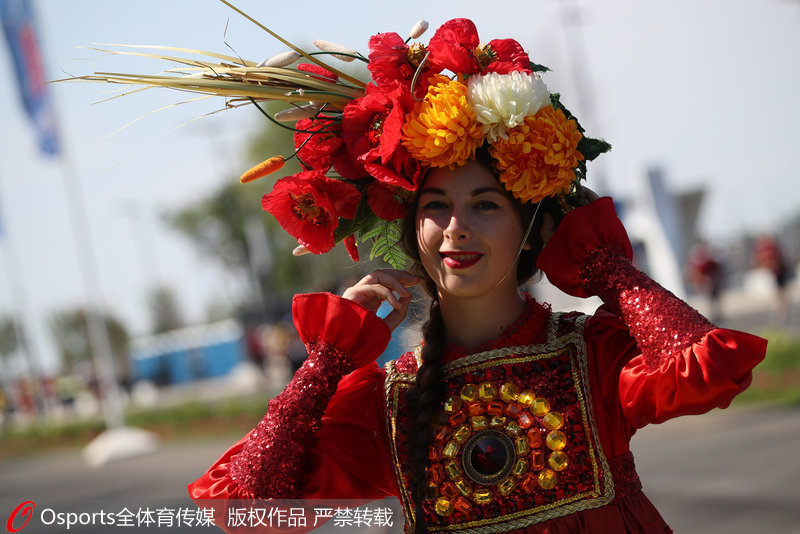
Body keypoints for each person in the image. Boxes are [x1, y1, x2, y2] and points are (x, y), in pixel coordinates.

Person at [170, 17, 766, 533]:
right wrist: (329, 355)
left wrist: (604, 264)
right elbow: (246, 505)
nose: (456, 227)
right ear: (413, 233)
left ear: (530, 228)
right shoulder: (389, 401)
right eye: (435, 207)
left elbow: (704, 370)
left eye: (485, 204)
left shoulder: (592, 355)